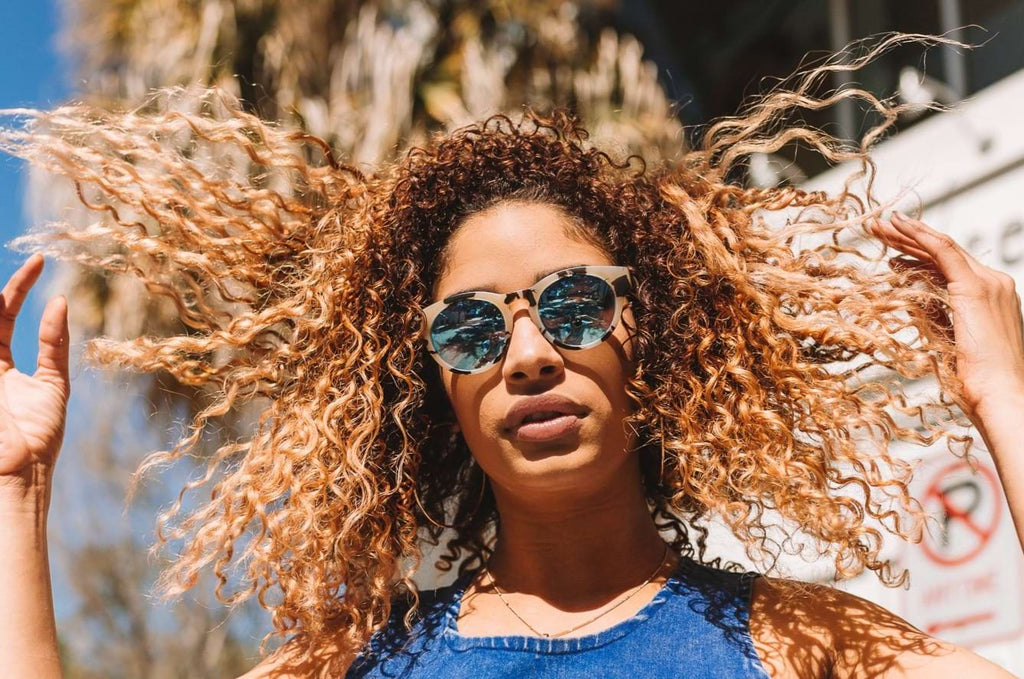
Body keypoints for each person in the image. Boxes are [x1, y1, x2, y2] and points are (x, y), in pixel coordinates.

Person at [1, 36, 1022, 679]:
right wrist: (17, 492)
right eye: (471, 329)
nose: (527, 354)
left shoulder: (800, 645)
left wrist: (1004, 397)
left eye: (573, 304)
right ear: (432, 387)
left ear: (649, 339)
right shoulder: (353, 665)